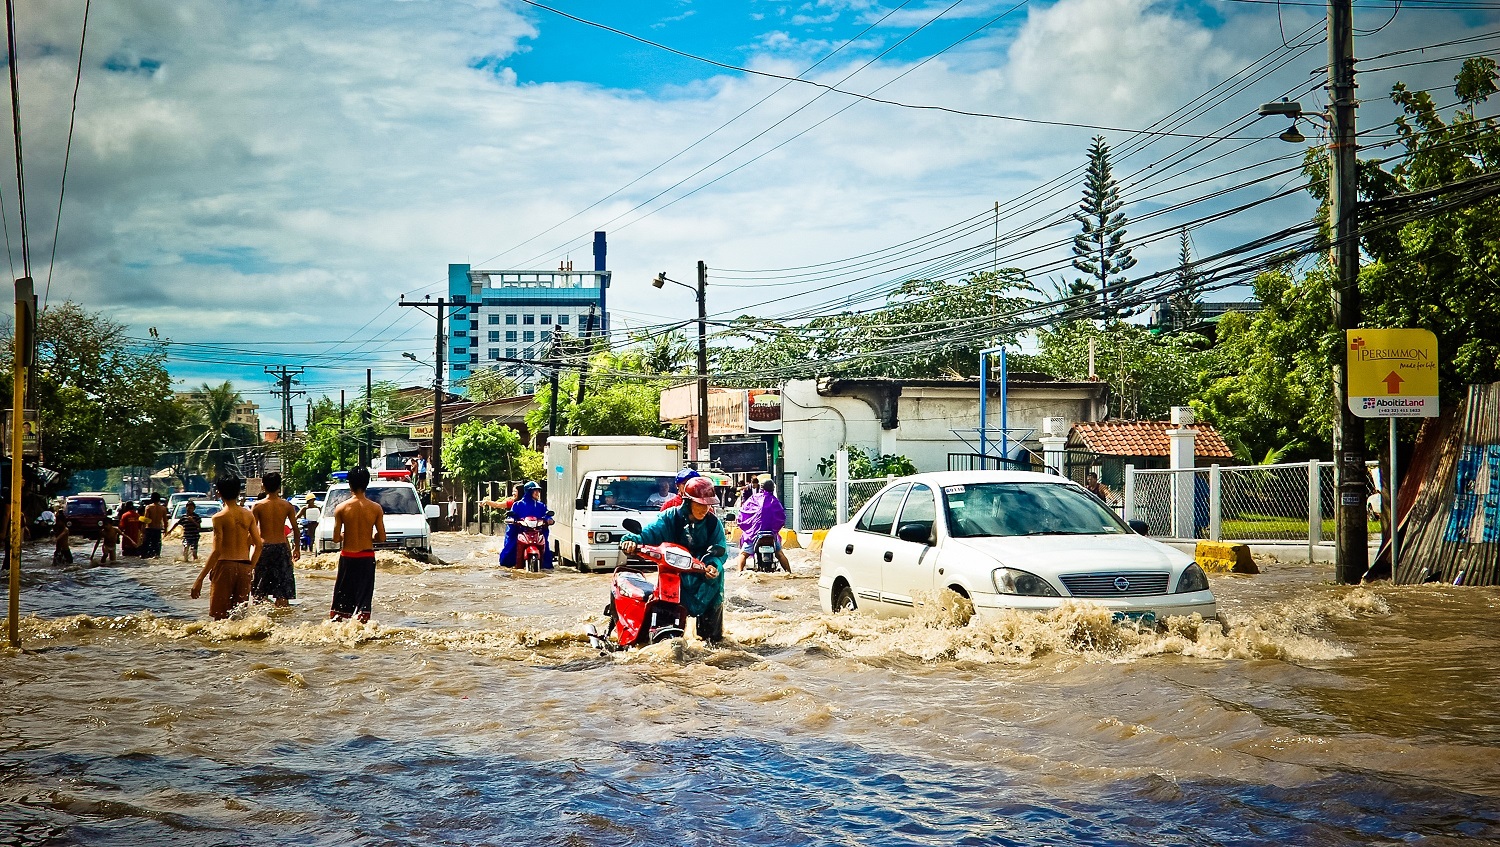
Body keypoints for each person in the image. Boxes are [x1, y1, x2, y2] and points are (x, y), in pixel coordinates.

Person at [621, 476, 728, 643]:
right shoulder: (669, 518)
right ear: (688, 502)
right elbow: (649, 533)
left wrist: (714, 566)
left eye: (708, 504)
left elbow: (720, 550)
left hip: (705, 577)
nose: (704, 509)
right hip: (675, 574)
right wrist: (632, 541)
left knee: (713, 641)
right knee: (667, 627)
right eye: (700, 504)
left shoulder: (713, 524)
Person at [191, 476, 262, 620]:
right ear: (238, 492)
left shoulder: (219, 517)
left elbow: (217, 551)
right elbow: (259, 545)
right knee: (239, 618)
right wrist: (250, 568)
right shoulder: (248, 515)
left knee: (220, 618)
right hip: (244, 567)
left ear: (219, 493)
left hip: (224, 567)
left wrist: (199, 579)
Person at [329, 466, 386, 622]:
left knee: (341, 604)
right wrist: (369, 536)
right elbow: (382, 537)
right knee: (363, 603)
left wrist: (344, 535)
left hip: (347, 557)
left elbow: (335, 539)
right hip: (366, 557)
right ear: (367, 483)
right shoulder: (375, 508)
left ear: (350, 484)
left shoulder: (341, 508)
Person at [250, 472, 300, 606]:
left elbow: (251, 531)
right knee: (282, 592)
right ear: (279, 486)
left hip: (263, 549)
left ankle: (259, 622)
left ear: (263, 486)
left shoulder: (258, 506)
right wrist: (297, 549)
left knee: (259, 592)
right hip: (281, 548)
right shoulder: (287, 506)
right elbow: (295, 529)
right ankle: (283, 622)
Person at [735, 477, 791, 573]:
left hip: (754, 534)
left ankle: (739, 573)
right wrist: (775, 529)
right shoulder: (775, 501)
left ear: (761, 487)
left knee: (743, 554)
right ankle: (789, 573)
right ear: (773, 489)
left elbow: (743, 513)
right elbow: (782, 517)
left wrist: (743, 523)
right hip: (771, 534)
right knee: (780, 554)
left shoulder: (753, 499)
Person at [499, 481, 553, 569]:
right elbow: (512, 515)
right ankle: (508, 562)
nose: (537, 493)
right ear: (528, 491)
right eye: (534, 490)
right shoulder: (517, 505)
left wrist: (548, 520)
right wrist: (513, 520)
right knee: (511, 546)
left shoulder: (541, 505)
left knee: (546, 545)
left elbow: (546, 515)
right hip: (521, 531)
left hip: (537, 532)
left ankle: (546, 565)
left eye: (538, 491)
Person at [141, 493, 168, 559]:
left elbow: (146, 519)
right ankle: (156, 555)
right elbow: (165, 521)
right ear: (159, 499)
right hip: (157, 529)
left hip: (149, 529)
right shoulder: (163, 508)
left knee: (146, 547)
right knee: (156, 546)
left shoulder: (148, 507)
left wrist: (142, 530)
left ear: (151, 499)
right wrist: (165, 530)